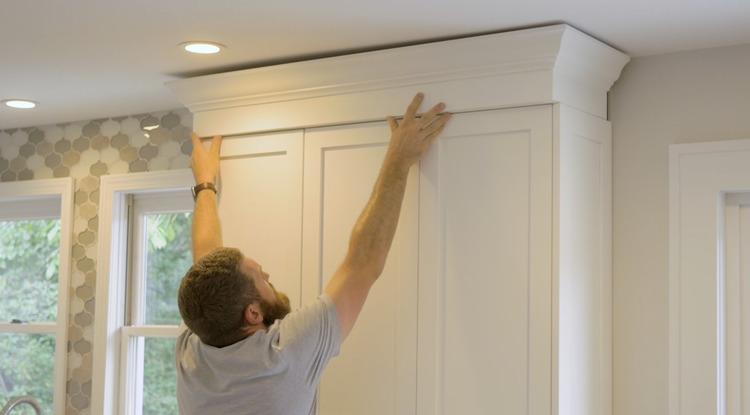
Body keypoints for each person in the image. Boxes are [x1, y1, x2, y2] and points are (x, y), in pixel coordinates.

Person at [175, 93, 450, 414]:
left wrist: (205, 184)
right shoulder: (285, 353)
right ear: (252, 314)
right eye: (260, 277)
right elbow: (364, 262)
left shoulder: (193, 348)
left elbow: (205, 258)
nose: (267, 275)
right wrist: (399, 160)